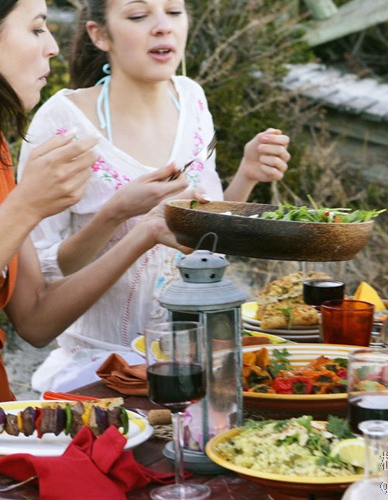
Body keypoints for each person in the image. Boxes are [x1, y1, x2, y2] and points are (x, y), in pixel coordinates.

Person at [17, 0, 291, 393]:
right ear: (99, 34)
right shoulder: (63, 122)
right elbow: (47, 276)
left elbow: (203, 240)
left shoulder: (191, 98)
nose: (162, 27)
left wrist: (246, 176)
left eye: (174, 12)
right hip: (100, 372)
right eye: (138, 15)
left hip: (196, 363)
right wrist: (114, 215)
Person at [0, 0, 195, 403]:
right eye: (37, 29)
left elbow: (36, 319)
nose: (52, 47)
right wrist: (25, 207)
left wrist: (146, 232)